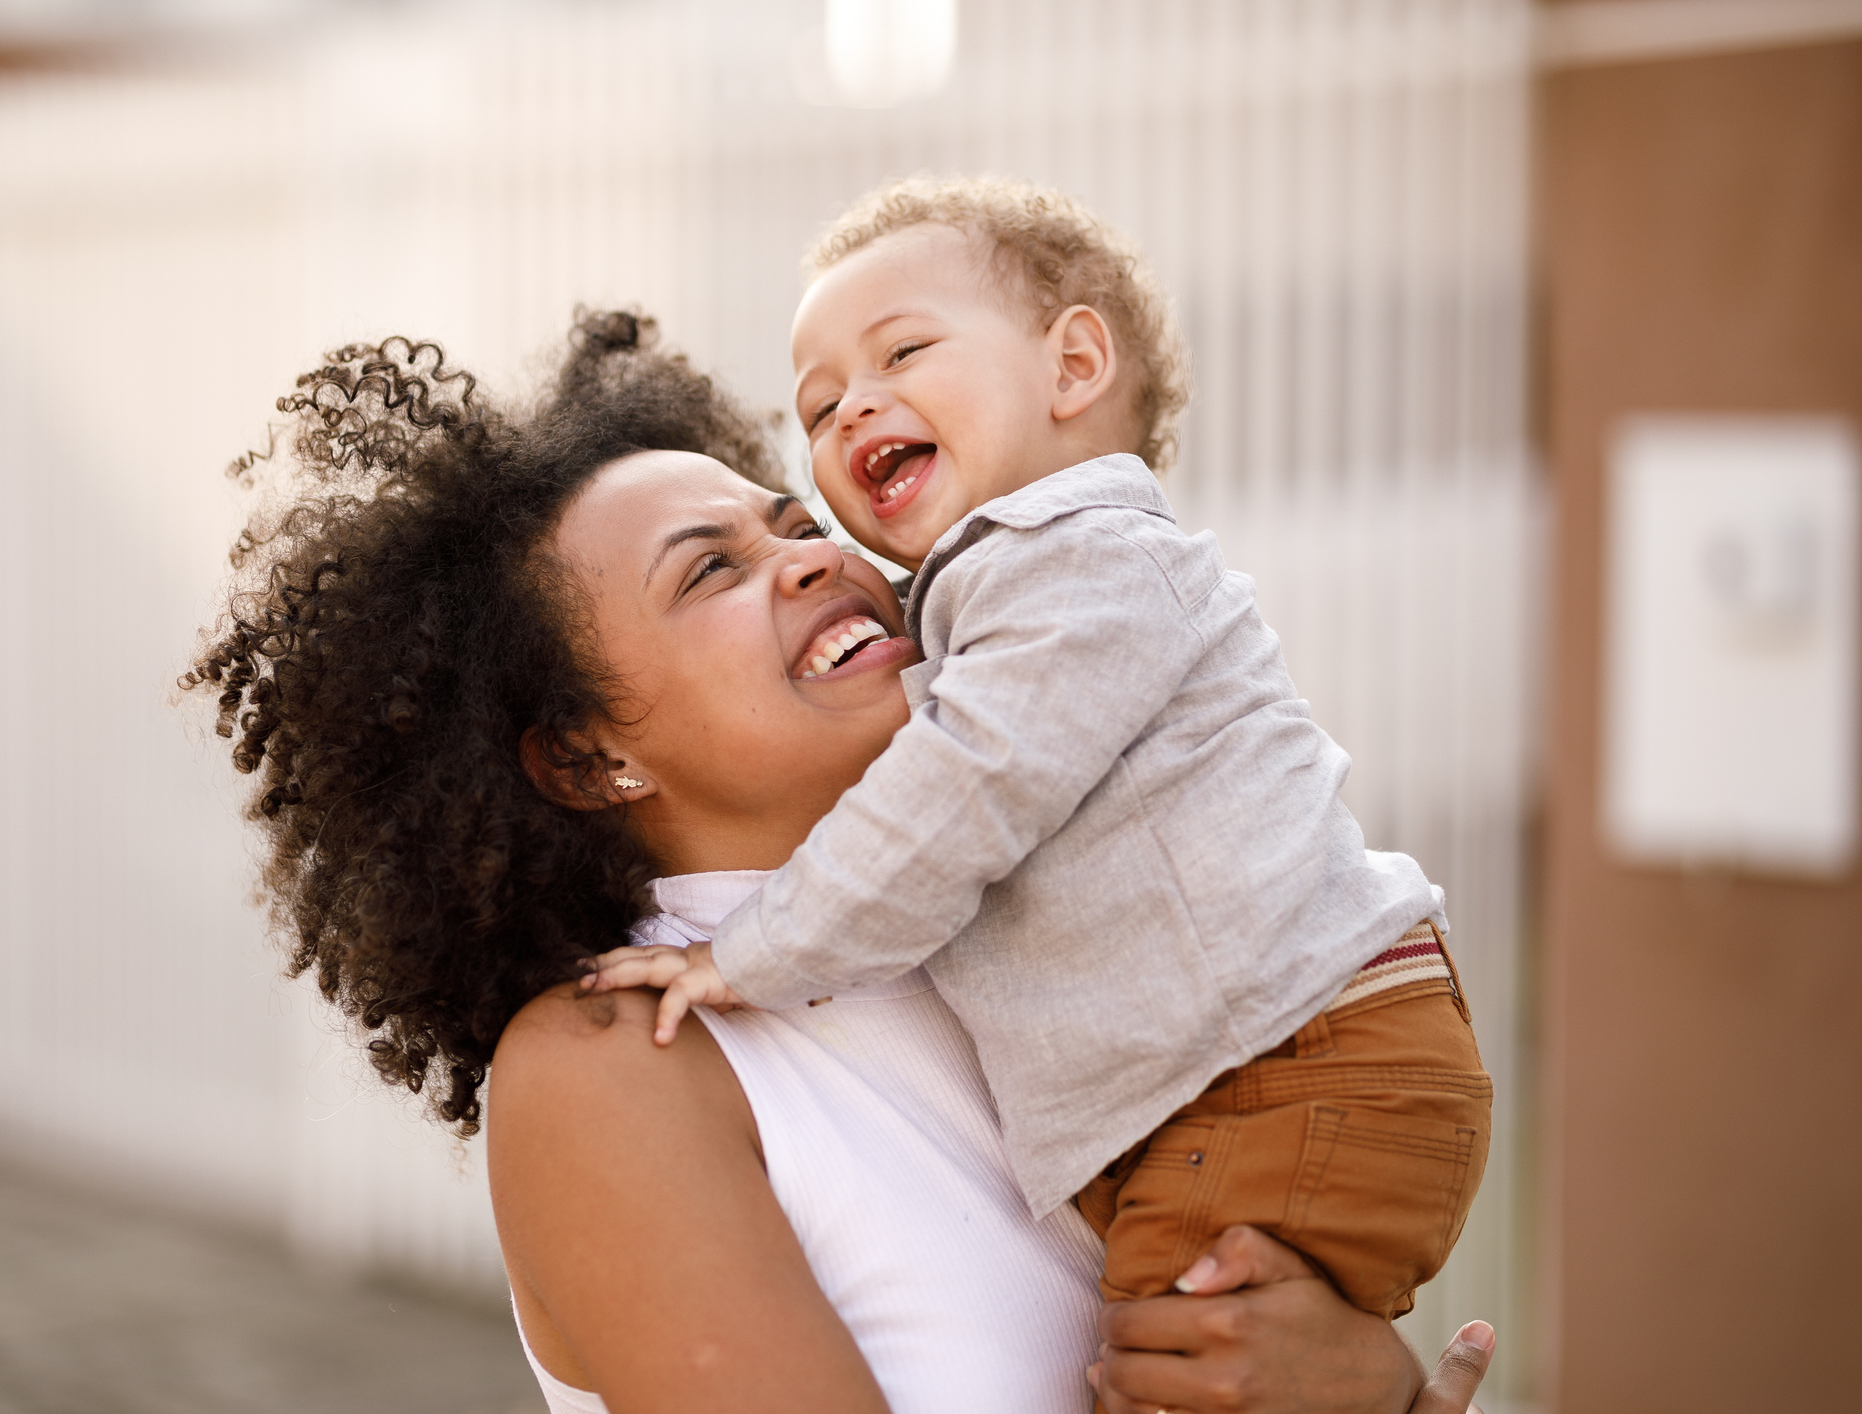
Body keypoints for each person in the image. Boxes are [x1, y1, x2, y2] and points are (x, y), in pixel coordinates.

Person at [185, 310, 1496, 1413]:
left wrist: (1372, 1390)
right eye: (710, 572)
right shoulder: (615, 1066)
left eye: (791, 523)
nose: (813, 557)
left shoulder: (1032, 915)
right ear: (587, 760)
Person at [586, 176, 1492, 1323]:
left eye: (902, 351)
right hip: (1258, 1070)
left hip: (1284, 1063)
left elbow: (967, 789)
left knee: (1169, 1373)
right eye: (818, 410)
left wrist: (755, 952)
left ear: (1072, 367)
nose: (853, 409)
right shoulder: (1002, 596)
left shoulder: (1082, 566)